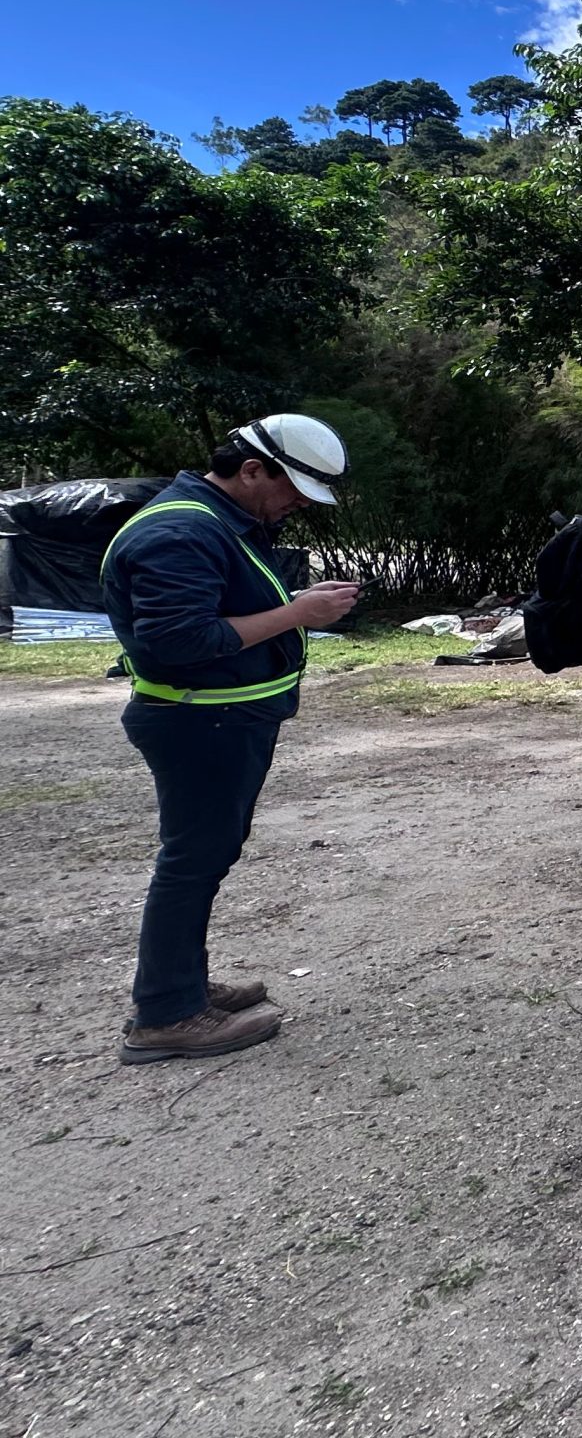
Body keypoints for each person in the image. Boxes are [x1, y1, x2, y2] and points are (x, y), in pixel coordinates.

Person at [100, 415, 360, 1063]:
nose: (298, 503)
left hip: (217, 718)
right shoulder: (181, 530)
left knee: (205, 856)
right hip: (200, 721)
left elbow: (214, 612)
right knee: (193, 860)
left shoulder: (215, 520)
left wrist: (293, 603)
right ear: (251, 470)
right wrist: (300, 613)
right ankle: (166, 1013)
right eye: (294, 488)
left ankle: (183, 986)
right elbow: (181, 642)